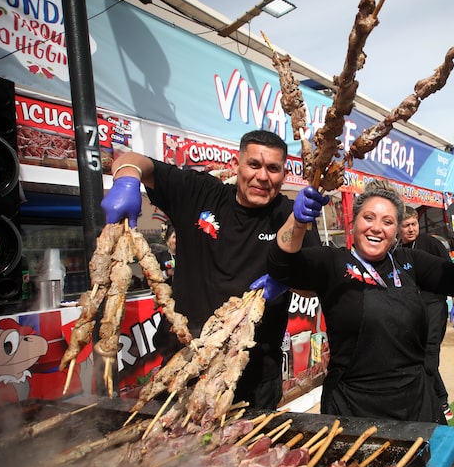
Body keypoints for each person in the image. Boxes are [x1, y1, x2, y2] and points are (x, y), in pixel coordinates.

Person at [101, 129, 321, 409]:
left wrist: (287, 277)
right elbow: (135, 160)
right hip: (182, 362)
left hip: (251, 375)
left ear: (284, 173)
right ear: (237, 164)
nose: (263, 177)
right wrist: (127, 181)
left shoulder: (291, 216)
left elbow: (313, 284)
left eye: (273, 168)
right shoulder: (200, 193)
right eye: (254, 164)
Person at [267, 180, 454, 425]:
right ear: (354, 223)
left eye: (387, 222)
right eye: (369, 218)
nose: (376, 228)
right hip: (353, 405)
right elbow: (282, 266)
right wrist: (298, 223)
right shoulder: (332, 262)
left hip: (415, 402)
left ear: (396, 231)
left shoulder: (409, 261)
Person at [397, 206, 454, 421]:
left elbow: (452, 273)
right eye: (406, 226)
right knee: (415, 355)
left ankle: (441, 402)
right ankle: (429, 398)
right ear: (398, 227)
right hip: (410, 310)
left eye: (414, 224)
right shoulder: (395, 248)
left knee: (429, 356)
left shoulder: (431, 244)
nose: (411, 229)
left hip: (434, 306)